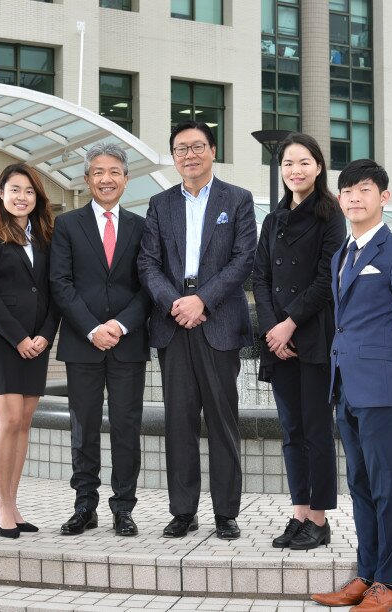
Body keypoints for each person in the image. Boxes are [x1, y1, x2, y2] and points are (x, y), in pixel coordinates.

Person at [312, 159, 392, 611]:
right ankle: (365, 575)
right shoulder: (341, 255)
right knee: (360, 484)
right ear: (340, 199)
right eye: (346, 191)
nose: (354, 197)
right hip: (346, 387)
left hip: (384, 389)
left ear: (383, 197)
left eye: (364, 189)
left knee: (387, 487)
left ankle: (391, 582)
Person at [138, 120, 257, 540]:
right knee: (179, 423)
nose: (189, 155)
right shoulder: (159, 203)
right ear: (173, 157)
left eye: (197, 146)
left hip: (218, 321)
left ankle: (226, 513)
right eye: (180, 149)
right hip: (173, 322)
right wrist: (177, 303)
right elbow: (147, 263)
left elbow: (243, 260)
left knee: (223, 421)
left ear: (212, 149)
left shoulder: (237, 200)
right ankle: (182, 511)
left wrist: (202, 300)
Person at [49, 143, 150, 537]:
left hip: (128, 345)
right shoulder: (67, 225)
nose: (106, 179)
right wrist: (93, 328)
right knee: (84, 427)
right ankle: (84, 505)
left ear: (125, 179)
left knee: (127, 427)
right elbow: (61, 283)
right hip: (82, 343)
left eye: (114, 172)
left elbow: (147, 287)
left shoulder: (142, 228)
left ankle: (124, 508)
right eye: (98, 172)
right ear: (87, 179)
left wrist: (120, 327)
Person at [252, 133, 345, 550]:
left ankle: (320, 520)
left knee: (316, 429)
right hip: (279, 339)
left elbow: (328, 278)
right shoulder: (273, 220)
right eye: (288, 163)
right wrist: (273, 329)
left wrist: (290, 324)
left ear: (319, 167)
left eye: (304, 162)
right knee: (291, 429)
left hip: (313, 335)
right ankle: (299, 512)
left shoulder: (331, 215)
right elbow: (261, 278)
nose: (295, 170)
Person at [0, 163, 59, 539]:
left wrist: (44, 336)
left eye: (29, 191)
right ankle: (2, 503)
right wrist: (19, 338)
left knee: (24, 421)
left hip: (37, 343)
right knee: (8, 420)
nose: (22, 197)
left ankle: (13, 500)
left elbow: (54, 290)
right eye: (15, 189)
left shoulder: (45, 237)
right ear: (1, 192)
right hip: (2, 342)